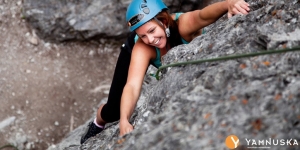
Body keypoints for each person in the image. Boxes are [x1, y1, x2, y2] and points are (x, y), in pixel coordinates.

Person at [80, 0, 250, 144]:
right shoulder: (142, 46)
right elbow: (132, 85)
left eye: (152, 31)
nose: (150, 39)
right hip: (130, 50)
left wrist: (229, 3)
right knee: (114, 111)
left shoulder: (183, 25)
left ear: (164, 21)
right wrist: (124, 121)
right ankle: (98, 121)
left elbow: (203, 15)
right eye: (143, 35)